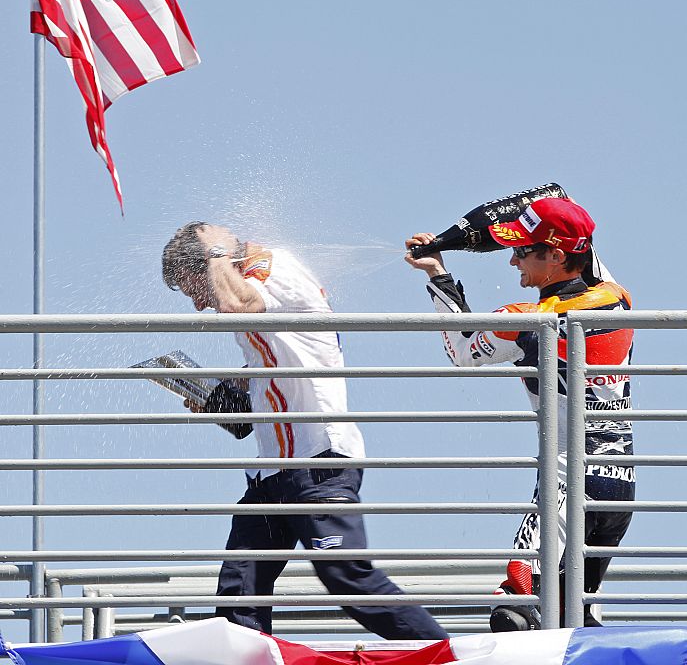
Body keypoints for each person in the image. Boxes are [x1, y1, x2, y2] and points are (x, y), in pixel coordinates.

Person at [162, 222, 448, 640]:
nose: (198, 306)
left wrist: (216, 252)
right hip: (272, 474)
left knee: (348, 577)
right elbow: (266, 376)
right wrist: (218, 398)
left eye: (193, 289)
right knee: (239, 589)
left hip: (318, 464)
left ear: (209, 262)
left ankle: (448, 655)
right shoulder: (252, 283)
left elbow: (235, 305)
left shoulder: (272, 271)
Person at [405, 197, 635, 631]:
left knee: (514, 608)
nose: (511, 260)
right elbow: (579, 234)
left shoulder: (527, 319)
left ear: (556, 255)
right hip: (622, 488)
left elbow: (462, 351)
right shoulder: (617, 296)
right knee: (578, 619)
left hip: (568, 484)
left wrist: (438, 272)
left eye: (523, 250)